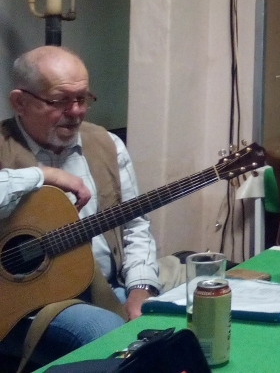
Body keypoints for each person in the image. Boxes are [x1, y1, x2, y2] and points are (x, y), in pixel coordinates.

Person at [0, 46, 161, 364]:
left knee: (172, 318)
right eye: (60, 100)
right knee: (105, 330)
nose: (76, 112)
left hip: (103, 286)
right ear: (20, 102)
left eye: (82, 98)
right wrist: (43, 174)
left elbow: (134, 225)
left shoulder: (107, 145)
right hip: (24, 302)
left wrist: (140, 289)